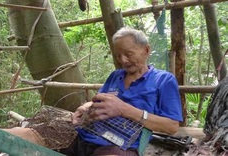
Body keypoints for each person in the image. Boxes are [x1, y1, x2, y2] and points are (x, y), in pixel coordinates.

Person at [58, 27, 183, 156]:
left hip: (120, 146)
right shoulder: (115, 76)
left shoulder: (163, 80)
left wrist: (123, 109)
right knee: (39, 136)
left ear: (146, 50)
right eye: (118, 55)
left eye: (128, 54)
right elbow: (98, 101)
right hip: (86, 134)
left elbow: (172, 126)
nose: (123, 60)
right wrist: (84, 108)